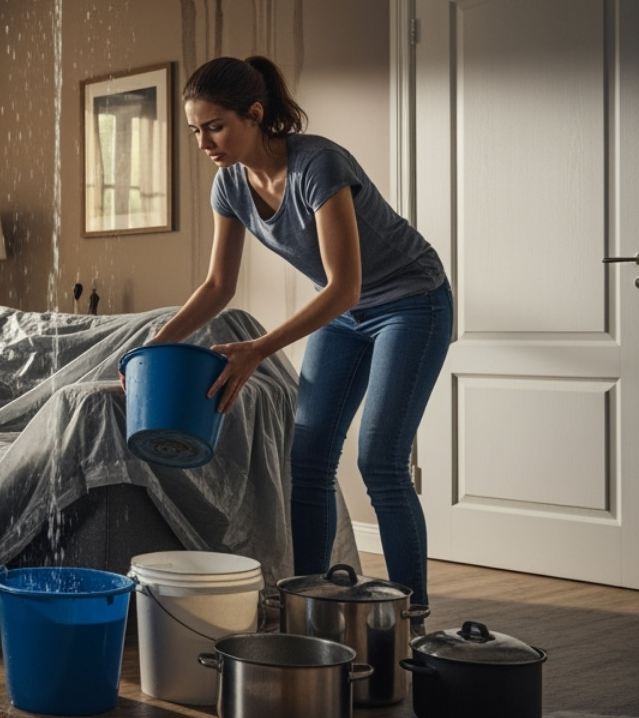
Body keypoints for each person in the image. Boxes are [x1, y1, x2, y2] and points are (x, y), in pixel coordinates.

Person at [144, 55, 451, 605]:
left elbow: (345, 286)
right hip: (345, 315)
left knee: (380, 459)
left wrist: (258, 350)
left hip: (411, 302)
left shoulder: (319, 165)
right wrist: (156, 344)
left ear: (255, 114)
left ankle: (411, 614)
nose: (204, 142)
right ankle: (309, 606)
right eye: (195, 129)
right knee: (307, 461)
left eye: (215, 126)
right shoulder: (230, 187)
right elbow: (218, 285)